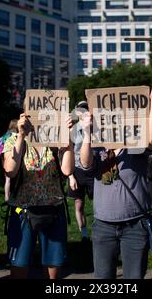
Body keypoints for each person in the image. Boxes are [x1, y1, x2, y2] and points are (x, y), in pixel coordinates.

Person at [79, 71, 152, 279]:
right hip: (103, 227)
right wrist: (87, 133)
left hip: (135, 225)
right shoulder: (96, 143)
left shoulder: (135, 141)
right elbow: (85, 163)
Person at [3, 112, 75, 279]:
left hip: (53, 210)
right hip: (23, 211)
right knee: (19, 265)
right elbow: (10, 170)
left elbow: (68, 170)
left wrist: (68, 138)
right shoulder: (13, 139)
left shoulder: (57, 140)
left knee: (53, 267)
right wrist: (21, 135)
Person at [67, 101, 94, 243]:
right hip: (77, 170)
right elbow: (65, 154)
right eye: (81, 110)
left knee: (99, 203)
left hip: (93, 170)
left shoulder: (97, 128)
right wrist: (71, 176)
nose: (83, 112)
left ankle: (100, 232)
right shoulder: (72, 130)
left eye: (86, 109)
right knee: (79, 204)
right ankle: (84, 234)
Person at [0, 119, 19, 203]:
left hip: (3, 158)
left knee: (7, 179)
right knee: (12, 178)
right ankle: (9, 197)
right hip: (11, 157)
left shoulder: (5, 136)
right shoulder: (15, 136)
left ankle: (6, 196)